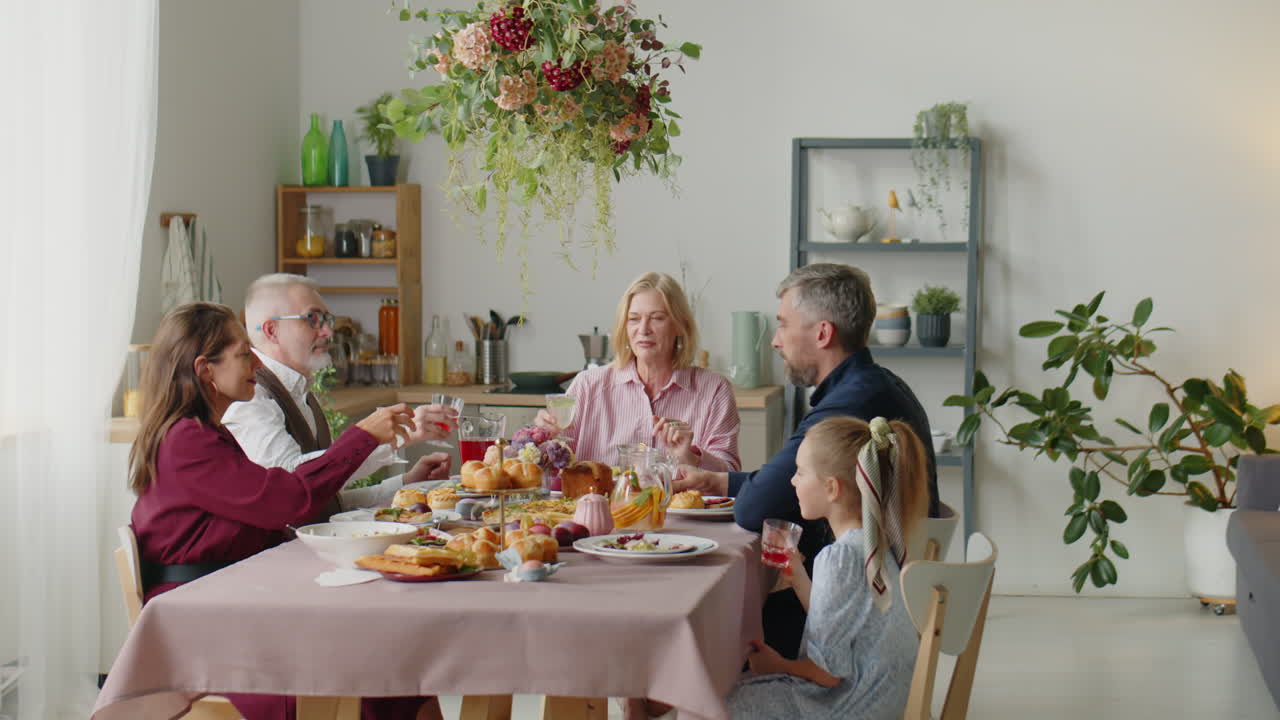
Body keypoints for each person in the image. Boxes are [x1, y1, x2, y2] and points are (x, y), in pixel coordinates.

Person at [128, 302, 438, 720]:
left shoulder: (201, 434)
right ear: (206, 370)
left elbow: (274, 504)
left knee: (400, 675)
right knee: (375, 678)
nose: (256, 360)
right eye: (242, 352)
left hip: (230, 604)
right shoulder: (187, 442)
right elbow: (288, 501)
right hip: (204, 627)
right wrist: (361, 436)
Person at [676, 263, 938, 658]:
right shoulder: (873, 384)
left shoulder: (849, 405)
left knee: (709, 626)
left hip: (855, 621)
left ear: (822, 333)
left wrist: (739, 489)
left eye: (783, 325)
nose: (775, 342)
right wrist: (718, 482)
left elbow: (756, 508)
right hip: (875, 601)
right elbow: (784, 486)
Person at [727, 416, 929, 720]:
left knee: (715, 704)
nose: (792, 481)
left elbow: (828, 674)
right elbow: (840, 624)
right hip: (880, 702)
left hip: (847, 707)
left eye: (800, 472)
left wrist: (777, 665)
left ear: (832, 488)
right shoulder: (875, 544)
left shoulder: (840, 558)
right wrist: (798, 577)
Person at [224, 273, 453, 516]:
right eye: (312, 319)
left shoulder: (301, 392)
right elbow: (295, 483)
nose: (328, 332)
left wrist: (404, 485)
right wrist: (380, 437)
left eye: (326, 320)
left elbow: (325, 497)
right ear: (272, 331)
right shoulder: (250, 397)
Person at [535, 271, 740, 471]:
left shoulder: (714, 390)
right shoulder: (588, 385)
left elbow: (730, 475)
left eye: (657, 318)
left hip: (678, 506)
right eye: (634, 319)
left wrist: (691, 458)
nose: (643, 329)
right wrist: (546, 438)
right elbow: (555, 468)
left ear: (680, 325)